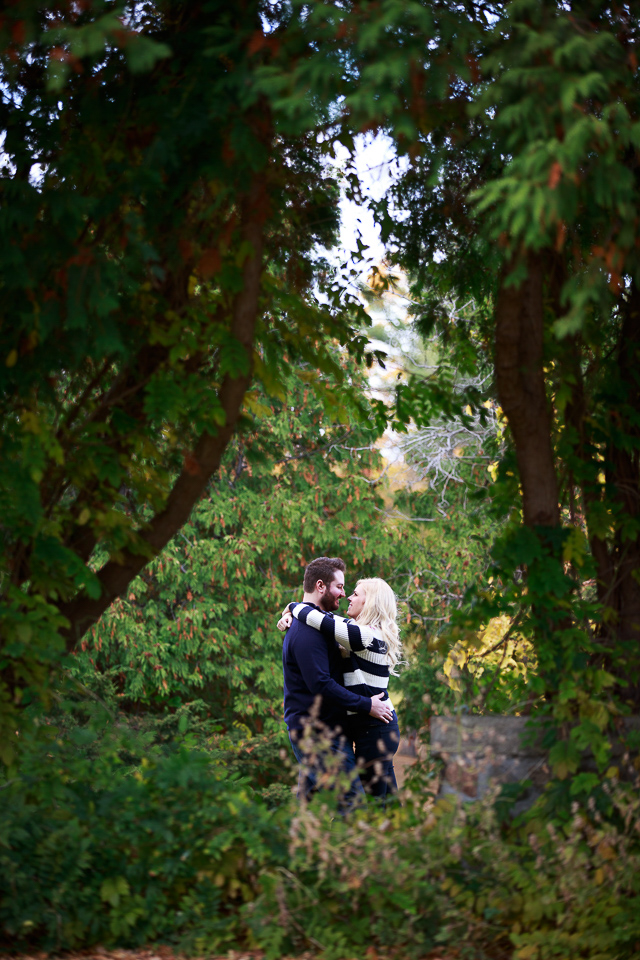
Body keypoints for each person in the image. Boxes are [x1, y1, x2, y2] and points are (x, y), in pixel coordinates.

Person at [282, 557, 393, 803]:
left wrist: (292, 608)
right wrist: (367, 705)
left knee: (315, 809)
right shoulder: (308, 631)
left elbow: (316, 617)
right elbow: (320, 684)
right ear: (320, 586)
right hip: (315, 733)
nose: (344, 595)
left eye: (349, 590)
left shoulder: (339, 629)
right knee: (354, 808)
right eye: (341, 587)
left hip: (336, 730)